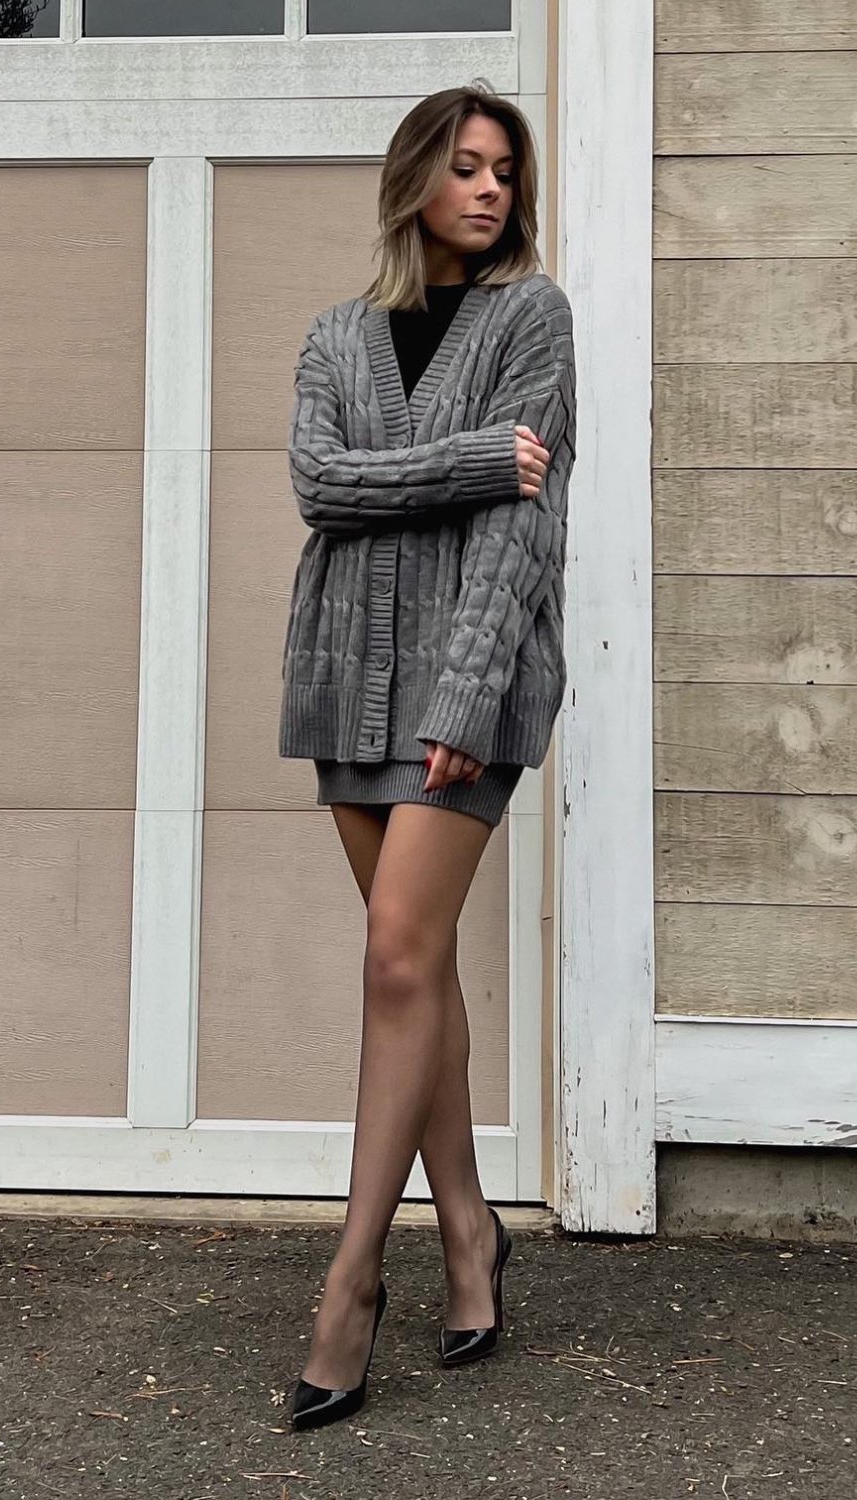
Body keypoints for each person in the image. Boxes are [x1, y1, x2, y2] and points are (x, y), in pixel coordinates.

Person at [278, 81, 576, 1432]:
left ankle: (352, 1284)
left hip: (466, 691)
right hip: (343, 682)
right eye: (464, 167)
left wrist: (464, 699)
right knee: (423, 969)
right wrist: (467, 460)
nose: (491, 189)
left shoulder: (533, 319)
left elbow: (524, 528)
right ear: (415, 180)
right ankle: (470, 1235)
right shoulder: (336, 336)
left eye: (504, 169)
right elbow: (319, 486)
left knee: (397, 956)